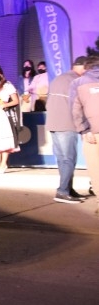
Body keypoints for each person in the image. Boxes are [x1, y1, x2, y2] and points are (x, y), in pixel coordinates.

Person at [46, 56, 88, 203]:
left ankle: (68, 189)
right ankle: (63, 191)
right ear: (84, 67)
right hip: (67, 123)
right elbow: (80, 105)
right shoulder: (77, 81)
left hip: (53, 123)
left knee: (63, 159)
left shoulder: (58, 78)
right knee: (69, 159)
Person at [71, 54, 99, 211]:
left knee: (96, 168)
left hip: (92, 132)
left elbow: (75, 109)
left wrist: (84, 129)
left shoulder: (78, 83)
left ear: (86, 67)